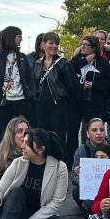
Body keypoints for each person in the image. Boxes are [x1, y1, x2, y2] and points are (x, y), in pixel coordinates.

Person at [0, 26, 34, 144]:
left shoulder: (22, 57)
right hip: (0, 105)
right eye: (19, 36)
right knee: (1, 137)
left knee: (21, 137)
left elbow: (29, 79)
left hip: (21, 102)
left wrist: (30, 97)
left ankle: (20, 161)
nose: (22, 39)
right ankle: (0, 162)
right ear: (11, 37)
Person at [32, 32, 79, 166]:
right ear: (44, 44)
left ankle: (60, 168)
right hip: (41, 105)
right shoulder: (37, 64)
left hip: (59, 105)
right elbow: (36, 83)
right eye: (51, 43)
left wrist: (67, 103)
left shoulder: (63, 63)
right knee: (42, 137)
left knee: (58, 138)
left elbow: (73, 86)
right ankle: (44, 166)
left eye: (56, 44)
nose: (54, 46)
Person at [70, 35, 110, 165]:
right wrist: (85, 60)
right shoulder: (77, 58)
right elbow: (69, 70)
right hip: (76, 101)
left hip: (94, 101)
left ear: (94, 48)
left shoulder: (102, 62)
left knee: (94, 131)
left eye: (86, 45)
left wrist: (94, 85)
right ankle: (72, 160)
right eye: (82, 44)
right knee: (72, 131)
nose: (82, 47)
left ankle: (95, 159)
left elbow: (109, 82)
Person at [71, 118, 110, 211]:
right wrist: (79, 177)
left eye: (102, 130)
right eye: (94, 130)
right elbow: (73, 178)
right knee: (76, 191)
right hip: (92, 191)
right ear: (87, 133)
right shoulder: (81, 151)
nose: (99, 133)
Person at [0, 117, 30, 190]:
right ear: (11, 135)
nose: (24, 135)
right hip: (8, 196)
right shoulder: (0, 155)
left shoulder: (33, 154)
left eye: (27, 131)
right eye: (19, 131)